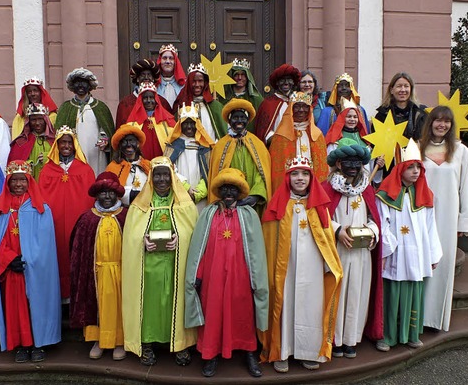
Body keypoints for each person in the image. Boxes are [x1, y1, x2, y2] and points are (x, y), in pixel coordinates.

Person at [260, 155, 342, 373]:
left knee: (310, 306)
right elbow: (268, 241)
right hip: (286, 267)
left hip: (313, 268)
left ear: (311, 178)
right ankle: (282, 351)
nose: (300, 178)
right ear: (288, 178)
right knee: (284, 304)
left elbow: (327, 237)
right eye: (295, 173)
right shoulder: (277, 206)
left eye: (305, 173)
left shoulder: (319, 206)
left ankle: (308, 351)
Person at [184, 168, 268, 378]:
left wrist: (255, 278)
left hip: (241, 277)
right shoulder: (208, 214)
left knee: (243, 314)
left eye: (233, 188)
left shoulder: (249, 215)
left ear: (240, 192)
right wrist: (197, 275)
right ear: (219, 191)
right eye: (225, 188)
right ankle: (210, 354)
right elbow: (199, 248)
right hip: (213, 277)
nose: (229, 192)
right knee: (212, 313)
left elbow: (256, 250)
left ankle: (249, 352)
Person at [121, 156, 198, 366]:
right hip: (148, 267)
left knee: (177, 301)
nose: (162, 179)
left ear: (172, 176)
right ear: (151, 178)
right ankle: (146, 343)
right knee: (148, 303)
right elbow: (131, 237)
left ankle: (180, 343)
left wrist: (179, 239)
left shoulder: (184, 204)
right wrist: (142, 242)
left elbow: (194, 234)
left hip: (176, 265)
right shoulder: (140, 205)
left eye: (166, 175)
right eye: (158, 175)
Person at [0, 160, 61, 363]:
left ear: (29, 181)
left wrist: (31, 259)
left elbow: (46, 244)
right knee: (16, 307)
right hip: (13, 269)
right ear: (8, 183)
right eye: (15, 180)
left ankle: (38, 343)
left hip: (34, 268)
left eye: (23, 180)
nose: (19, 184)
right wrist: (10, 259)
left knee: (36, 304)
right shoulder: (1, 209)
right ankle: (21, 344)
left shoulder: (41, 209)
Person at [375, 139, 442, 352]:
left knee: (414, 292)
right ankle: (388, 336)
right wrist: (386, 250)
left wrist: (432, 254)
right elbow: (382, 225)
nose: (415, 172)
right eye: (410, 167)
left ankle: (411, 333)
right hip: (395, 255)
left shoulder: (425, 196)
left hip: (417, 255)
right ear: (400, 169)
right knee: (392, 292)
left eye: (418, 168)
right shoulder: (385, 196)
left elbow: (431, 227)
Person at [322, 139, 383, 359]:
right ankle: (335, 339)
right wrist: (337, 230)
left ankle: (351, 339)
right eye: (347, 161)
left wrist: (372, 232)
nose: (352, 166)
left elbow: (374, 217)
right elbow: (320, 218)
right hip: (336, 250)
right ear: (338, 164)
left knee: (357, 294)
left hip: (360, 254)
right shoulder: (327, 188)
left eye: (357, 162)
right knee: (337, 294)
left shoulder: (366, 189)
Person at [420, 106, 468, 332]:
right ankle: (416, 317)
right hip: (421, 215)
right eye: (437, 120)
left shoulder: (461, 151)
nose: (441, 125)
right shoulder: (417, 147)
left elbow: (466, 186)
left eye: (446, 122)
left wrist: (464, 221)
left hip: (448, 217)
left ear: (451, 126)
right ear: (430, 122)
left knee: (442, 263)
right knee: (421, 262)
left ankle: (434, 318)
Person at [69, 172, 128, 361]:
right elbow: (77, 251)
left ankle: (120, 340)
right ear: (96, 195)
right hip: (96, 272)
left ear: (117, 194)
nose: (107, 197)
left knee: (121, 306)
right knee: (97, 305)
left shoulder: (127, 216)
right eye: (103, 193)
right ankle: (99, 340)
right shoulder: (87, 219)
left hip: (121, 271)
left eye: (111, 192)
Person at [38, 126, 95, 302]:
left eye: (69, 142)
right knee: (58, 259)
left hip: (78, 226)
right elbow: (41, 198)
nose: (66, 146)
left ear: (75, 145)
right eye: (62, 142)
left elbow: (90, 199)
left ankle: (79, 300)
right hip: (54, 228)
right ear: (56, 145)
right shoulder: (47, 170)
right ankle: (59, 301)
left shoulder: (85, 170)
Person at [208, 98, 271, 213]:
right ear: (229, 120)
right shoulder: (220, 146)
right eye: (235, 117)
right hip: (227, 203)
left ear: (247, 120)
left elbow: (262, 174)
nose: (239, 121)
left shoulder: (257, 143)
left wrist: (255, 195)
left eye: (243, 118)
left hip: (253, 205)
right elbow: (217, 176)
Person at [54, 68, 115, 175]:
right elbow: (58, 135)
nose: (81, 85)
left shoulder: (101, 107)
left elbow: (108, 131)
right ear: (73, 86)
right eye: (77, 82)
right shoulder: (65, 108)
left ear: (90, 85)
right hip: (73, 155)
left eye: (84, 82)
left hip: (96, 155)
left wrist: (106, 141)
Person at [269, 91, 329, 191]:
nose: (301, 110)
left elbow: (322, 169)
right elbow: (277, 170)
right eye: (297, 106)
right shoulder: (280, 136)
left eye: (305, 106)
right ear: (291, 109)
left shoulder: (317, 135)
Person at [164, 103, 215, 212]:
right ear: (180, 125)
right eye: (185, 123)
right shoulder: (173, 145)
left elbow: (210, 171)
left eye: (192, 123)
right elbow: (168, 168)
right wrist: (185, 187)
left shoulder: (204, 145)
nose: (189, 127)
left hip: (201, 197)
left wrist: (200, 191)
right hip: (179, 193)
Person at [325, 98, 385, 182]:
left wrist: (377, 165)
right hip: (340, 183)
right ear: (342, 118)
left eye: (355, 117)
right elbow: (329, 165)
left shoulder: (364, 140)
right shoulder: (335, 141)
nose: (352, 119)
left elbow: (369, 166)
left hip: (362, 184)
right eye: (349, 116)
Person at [173, 63, 226, 140]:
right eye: (193, 81)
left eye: (200, 81)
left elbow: (222, 133)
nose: (197, 85)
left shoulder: (216, 107)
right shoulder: (181, 105)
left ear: (205, 83)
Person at [125, 81, 176, 160]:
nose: (149, 101)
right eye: (145, 98)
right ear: (140, 101)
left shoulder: (167, 120)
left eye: (151, 97)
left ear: (156, 99)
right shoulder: (132, 123)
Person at [116, 59, 171, 128]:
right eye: (143, 75)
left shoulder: (163, 103)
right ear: (138, 79)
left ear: (153, 79)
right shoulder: (125, 104)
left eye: (149, 75)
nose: (146, 78)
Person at [254, 63, 301, 145]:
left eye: (289, 79)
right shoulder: (268, 104)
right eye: (282, 80)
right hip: (276, 147)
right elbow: (263, 132)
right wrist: (278, 140)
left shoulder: (298, 102)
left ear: (293, 82)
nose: (286, 83)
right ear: (277, 83)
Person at [105, 125, 150, 207]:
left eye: (132, 141)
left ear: (137, 144)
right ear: (120, 146)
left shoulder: (147, 165)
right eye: (125, 142)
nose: (129, 145)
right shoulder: (113, 167)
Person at [8, 103, 56, 180]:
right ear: (29, 122)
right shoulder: (20, 142)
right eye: (33, 120)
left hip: (51, 183)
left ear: (46, 120)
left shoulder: (55, 141)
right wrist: (28, 164)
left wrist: (48, 158)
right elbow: (14, 166)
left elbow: (62, 163)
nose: (37, 123)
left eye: (40, 119)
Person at [220, 58, 264, 131]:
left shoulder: (256, 99)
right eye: (236, 75)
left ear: (247, 77)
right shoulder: (222, 98)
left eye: (243, 75)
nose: (239, 78)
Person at [156, 44, 187, 108]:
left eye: (171, 58)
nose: (167, 61)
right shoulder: (154, 84)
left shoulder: (184, 84)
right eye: (164, 58)